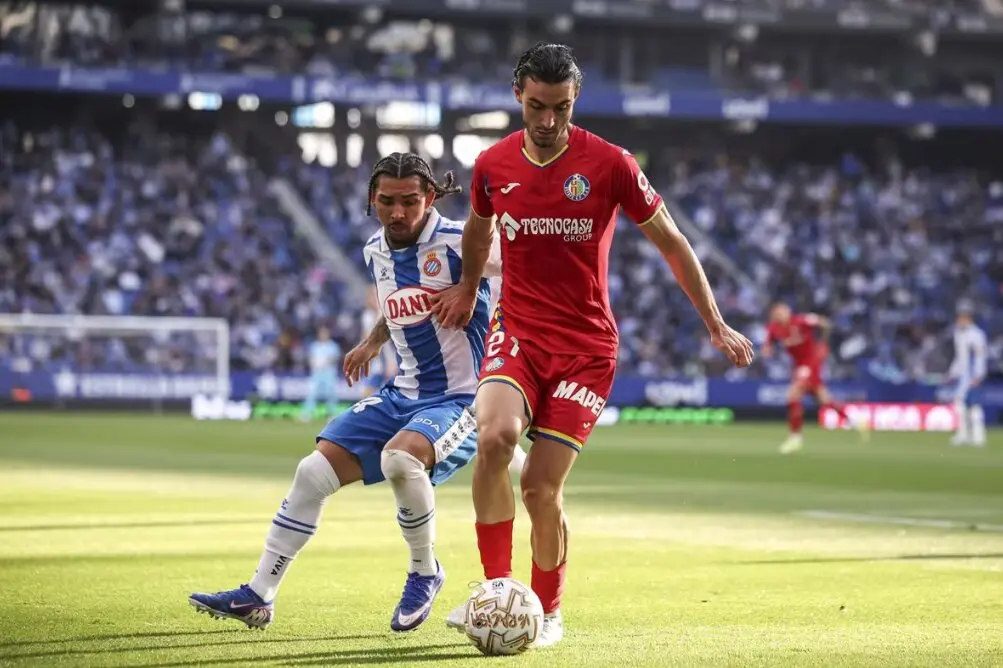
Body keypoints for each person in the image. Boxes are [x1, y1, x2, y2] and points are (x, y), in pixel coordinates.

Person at [429, 43, 754, 648]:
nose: (548, 121)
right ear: (517, 97)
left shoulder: (610, 164)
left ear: (574, 101)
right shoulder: (493, 165)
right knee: (494, 439)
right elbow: (477, 231)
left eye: (561, 107)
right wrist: (470, 288)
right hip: (517, 333)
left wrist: (714, 322)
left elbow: (673, 243)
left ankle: (548, 612)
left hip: (586, 349)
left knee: (540, 489)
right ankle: (496, 592)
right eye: (536, 106)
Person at [189, 152, 526, 633]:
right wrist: (372, 341)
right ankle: (259, 596)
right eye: (387, 201)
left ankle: (424, 572)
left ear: (429, 198)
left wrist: (480, 297)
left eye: (410, 201)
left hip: (463, 399)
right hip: (402, 392)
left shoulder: (461, 241)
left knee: (400, 461)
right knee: (311, 473)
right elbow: (397, 305)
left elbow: (527, 264)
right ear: (372, 200)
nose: (398, 212)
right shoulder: (376, 250)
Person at [762, 303, 867, 454]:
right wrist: (767, 350)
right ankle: (856, 421)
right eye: (776, 313)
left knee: (792, 396)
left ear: (788, 311)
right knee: (824, 401)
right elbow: (768, 344)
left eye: (782, 312)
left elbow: (825, 323)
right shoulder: (774, 328)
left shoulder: (801, 321)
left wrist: (823, 344)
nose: (780, 315)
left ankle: (795, 438)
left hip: (811, 363)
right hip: (798, 366)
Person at [949, 304, 987, 447]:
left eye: (961, 317)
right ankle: (963, 434)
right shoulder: (958, 333)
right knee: (959, 405)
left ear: (968, 318)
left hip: (973, 375)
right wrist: (952, 372)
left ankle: (978, 437)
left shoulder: (977, 335)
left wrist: (978, 374)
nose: (958, 320)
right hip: (962, 375)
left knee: (974, 406)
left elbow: (979, 356)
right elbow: (959, 356)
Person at [300, 326, 341, 421]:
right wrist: (315, 364)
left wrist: (325, 362)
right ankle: (307, 413)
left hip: (329, 373)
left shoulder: (332, 346)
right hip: (317, 373)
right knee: (312, 393)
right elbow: (311, 359)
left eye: (325, 334)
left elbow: (335, 358)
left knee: (330, 394)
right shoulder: (315, 346)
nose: (323, 335)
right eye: (321, 334)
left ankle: (331, 414)